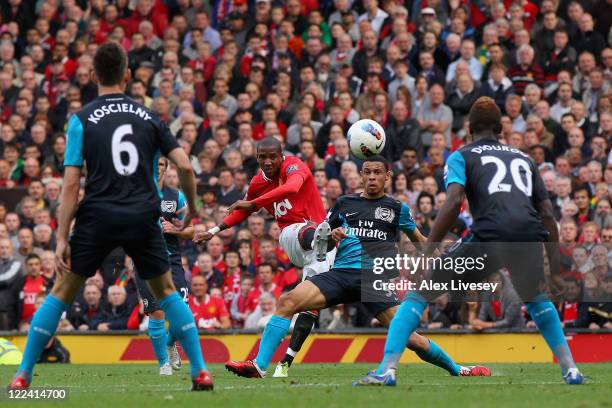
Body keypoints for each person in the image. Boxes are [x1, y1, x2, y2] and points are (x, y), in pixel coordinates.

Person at [9, 43, 213, 392]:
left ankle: (23, 374)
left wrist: (61, 237)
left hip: (98, 214)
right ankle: (200, 372)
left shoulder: (81, 119)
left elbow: (71, 182)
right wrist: (193, 209)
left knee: (60, 292)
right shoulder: (150, 117)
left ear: (92, 76)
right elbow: (182, 165)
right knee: (166, 292)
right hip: (142, 214)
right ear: (128, 75)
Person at [356, 97, 584, 386]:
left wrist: (428, 252)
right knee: (538, 299)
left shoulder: (462, 156)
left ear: (469, 128)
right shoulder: (525, 159)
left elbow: (452, 204)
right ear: (501, 128)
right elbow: (548, 214)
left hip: (488, 237)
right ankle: (571, 370)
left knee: (420, 292)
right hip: (528, 237)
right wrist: (556, 269)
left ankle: (387, 370)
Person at [224, 156, 489, 379]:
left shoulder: (398, 208)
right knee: (288, 300)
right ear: (361, 176)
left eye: (377, 173)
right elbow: (322, 244)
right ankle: (259, 366)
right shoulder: (343, 204)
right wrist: (331, 235)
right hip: (340, 275)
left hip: (373, 281)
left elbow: (421, 243)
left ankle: (458, 370)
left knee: (411, 338)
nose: (371, 177)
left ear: (387, 176)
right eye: (367, 173)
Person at [194, 137, 337, 378]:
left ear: (282, 156)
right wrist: (214, 230)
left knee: (302, 305)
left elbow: (290, 189)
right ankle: (318, 237)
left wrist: (252, 202)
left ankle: (270, 365)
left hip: (322, 250)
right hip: (295, 237)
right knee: (298, 229)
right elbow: (245, 211)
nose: (268, 161)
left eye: (273, 156)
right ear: (257, 157)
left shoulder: (294, 166)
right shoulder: (258, 181)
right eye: (263, 157)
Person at [133, 157, 194, 376]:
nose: (157, 168)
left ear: (165, 168)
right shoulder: (134, 192)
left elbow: (191, 230)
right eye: (153, 163)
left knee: (181, 314)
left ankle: (170, 343)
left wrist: (176, 229)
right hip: (145, 262)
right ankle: (163, 365)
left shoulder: (174, 196)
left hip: (172, 262)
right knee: (157, 312)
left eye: (161, 164)